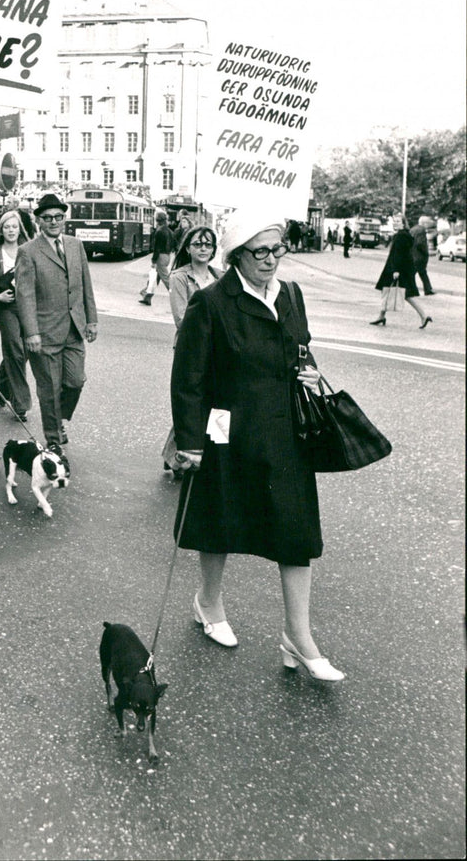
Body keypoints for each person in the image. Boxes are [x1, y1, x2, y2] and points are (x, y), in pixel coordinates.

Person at [170, 209, 345, 682]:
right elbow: (187, 378)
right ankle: (208, 603)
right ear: (237, 256)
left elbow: (301, 348)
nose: (271, 260)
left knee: (296, 529)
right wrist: (189, 442)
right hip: (226, 427)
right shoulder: (210, 302)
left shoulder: (290, 294)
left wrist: (309, 370)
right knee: (218, 519)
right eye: (261, 251)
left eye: (277, 250)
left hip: (285, 429)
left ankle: (298, 637)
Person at [15, 192, 98, 450]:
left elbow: (85, 284)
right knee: (49, 389)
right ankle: (53, 439)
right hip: (45, 332)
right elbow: (24, 294)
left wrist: (91, 320)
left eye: (58, 217)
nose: (53, 222)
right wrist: (31, 333)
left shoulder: (75, 245)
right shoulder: (27, 251)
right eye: (47, 218)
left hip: (75, 328)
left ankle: (60, 418)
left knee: (76, 380)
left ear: (64, 218)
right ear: (38, 221)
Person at [162, 226, 221, 478]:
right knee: (191, 403)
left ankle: (179, 455)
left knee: (212, 402)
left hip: (218, 351)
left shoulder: (220, 276)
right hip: (191, 351)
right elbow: (182, 319)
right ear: (188, 248)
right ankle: (176, 457)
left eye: (208, 245)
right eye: (198, 244)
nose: (203, 249)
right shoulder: (179, 277)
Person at [0, 209, 35, 421]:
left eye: (14, 226)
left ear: (19, 229)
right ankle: (20, 403)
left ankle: (1, 384)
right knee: (15, 348)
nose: (11, 230)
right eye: (7, 227)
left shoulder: (30, 251)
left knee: (26, 350)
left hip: (29, 306)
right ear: (1, 230)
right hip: (7, 308)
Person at [370, 220, 432, 329]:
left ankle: (423, 315)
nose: (395, 223)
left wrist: (395, 270)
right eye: (394, 221)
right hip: (403, 268)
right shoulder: (406, 235)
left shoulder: (400, 237)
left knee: (397, 293)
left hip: (396, 269)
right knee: (392, 292)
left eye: (398, 221)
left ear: (403, 224)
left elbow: (398, 254)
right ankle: (381, 316)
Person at [139, 209, 175, 305]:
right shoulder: (170, 231)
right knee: (154, 277)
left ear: (157, 220)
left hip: (160, 257)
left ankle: (176, 295)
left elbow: (157, 248)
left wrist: (154, 261)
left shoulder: (159, 232)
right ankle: (147, 296)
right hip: (167, 256)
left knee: (165, 279)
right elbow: (174, 244)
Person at [410, 216, 435, 296]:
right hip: (419, 256)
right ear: (424, 223)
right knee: (418, 273)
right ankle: (416, 290)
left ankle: (427, 289)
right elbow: (420, 243)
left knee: (422, 273)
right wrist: (426, 252)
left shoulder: (413, 229)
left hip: (412, 255)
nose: (428, 225)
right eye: (428, 223)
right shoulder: (421, 230)